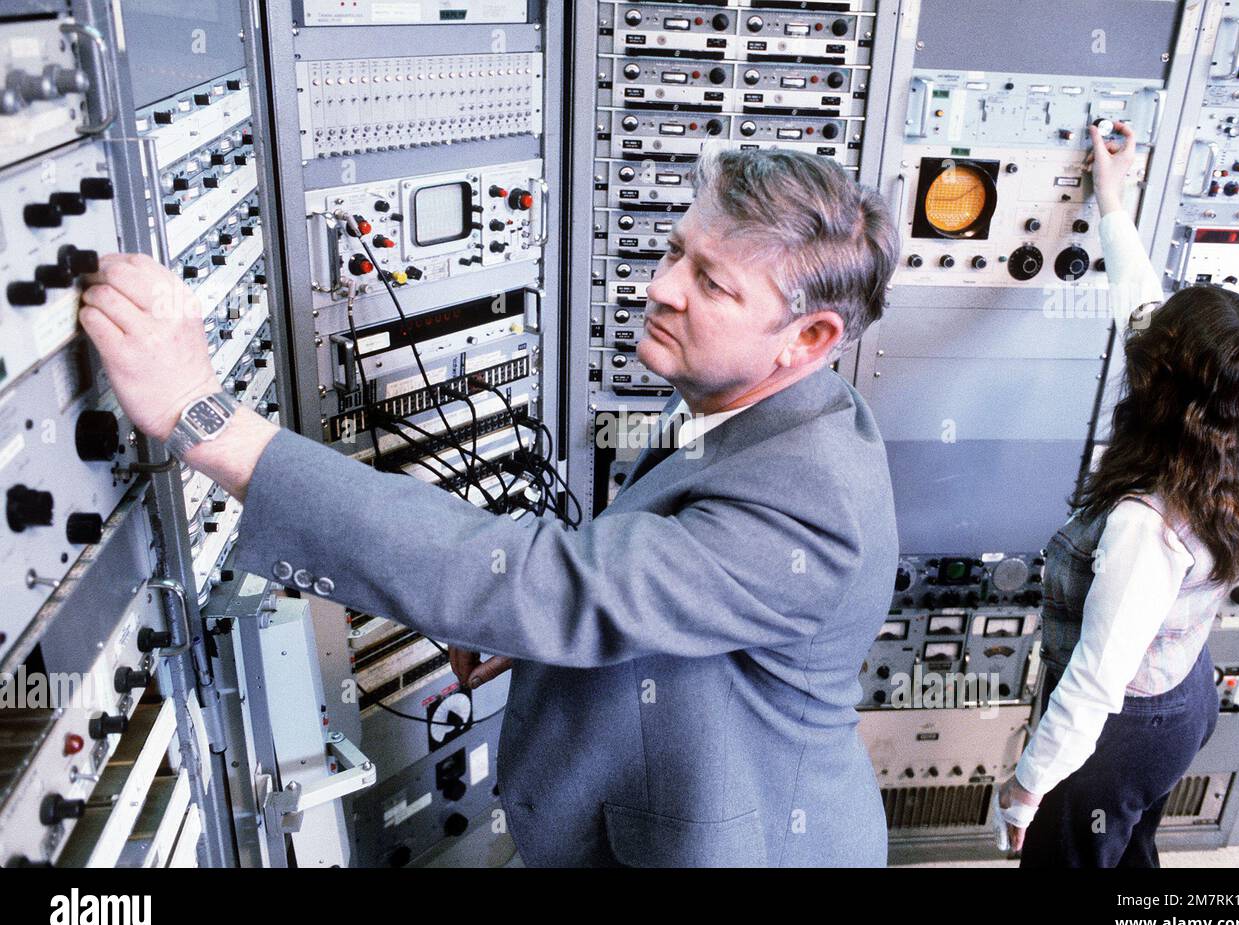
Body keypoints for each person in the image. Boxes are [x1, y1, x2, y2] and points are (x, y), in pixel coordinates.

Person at [76, 148, 902, 867]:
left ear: (810, 339)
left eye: (710, 283)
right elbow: (640, 581)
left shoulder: (812, 503)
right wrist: (548, 638)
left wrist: (206, 417)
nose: (659, 287)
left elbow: (559, 586)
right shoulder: (751, 407)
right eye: (676, 251)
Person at [995, 121, 1239, 866]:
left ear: (1162, 386)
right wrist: (1113, 200)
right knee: (1129, 850)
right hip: (1184, 702)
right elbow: (1140, 302)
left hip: (1120, 730)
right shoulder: (1232, 444)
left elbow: (1095, 679)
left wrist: (1028, 789)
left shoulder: (1146, 525)